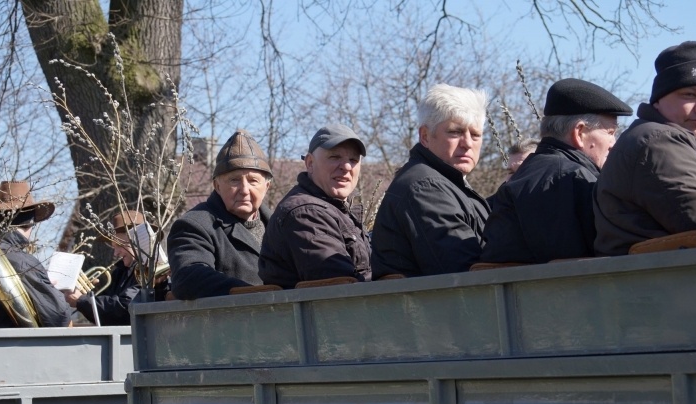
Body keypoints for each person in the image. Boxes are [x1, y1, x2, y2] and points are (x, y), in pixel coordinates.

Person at [481, 79, 632, 263]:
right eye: (610, 133)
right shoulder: (571, 178)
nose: (613, 144)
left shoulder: (524, 176)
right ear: (580, 132)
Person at [595, 41, 696, 255]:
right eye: (689, 94)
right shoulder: (659, 141)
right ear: (658, 99)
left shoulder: (662, 138)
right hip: (666, 273)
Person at [370, 84, 490, 278]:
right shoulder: (426, 188)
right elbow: (464, 273)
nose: (468, 143)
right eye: (455, 132)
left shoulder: (448, 185)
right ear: (425, 136)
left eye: (475, 134)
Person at [259, 124, 371, 288]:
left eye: (353, 160)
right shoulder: (306, 213)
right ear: (310, 163)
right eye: (335, 157)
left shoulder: (339, 209)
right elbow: (341, 286)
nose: (346, 167)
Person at [168, 130, 273, 299]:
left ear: (266, 187)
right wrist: (253, 294)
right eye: (234, 180)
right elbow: (188, 278)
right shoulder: (194, 225)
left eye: (253, 181)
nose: (244, 190)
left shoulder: (281, 224)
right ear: (217, 186)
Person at [0, 181, 72, 329]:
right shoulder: (23, 263)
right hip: (2, 343)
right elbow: (59, 319)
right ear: (29, 224)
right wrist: (53, 293)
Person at [64, 210, 153, 325]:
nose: (115, 253)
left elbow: (126, 307)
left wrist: (82, 301)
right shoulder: (119, 272)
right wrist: (87, 295)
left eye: (119, 245)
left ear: (139, 241)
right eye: (113, 247)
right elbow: (104, 318)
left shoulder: (149, 269)